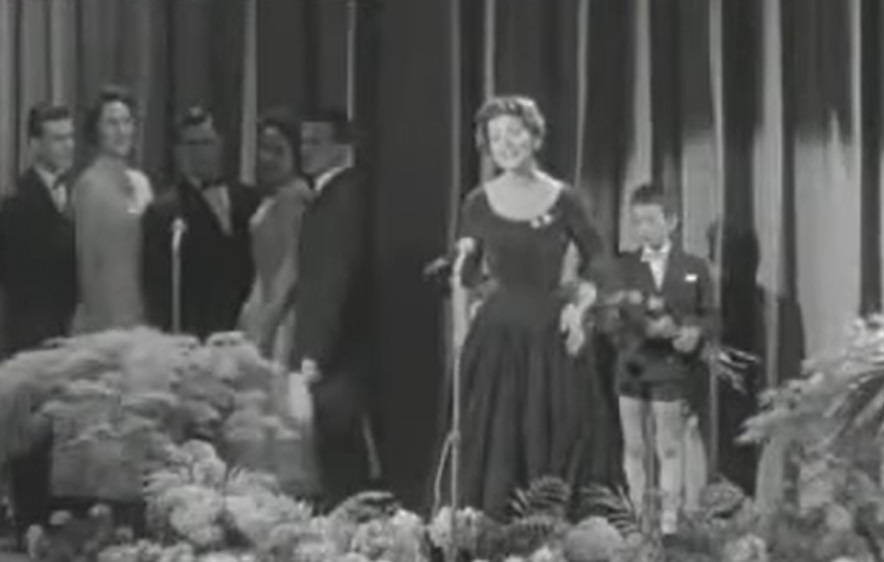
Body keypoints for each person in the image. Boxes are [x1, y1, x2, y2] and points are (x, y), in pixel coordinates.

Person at [439, 96, 604, 519]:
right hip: (496, 340)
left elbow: (601, 267)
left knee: (552, 433)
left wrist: (580, 310)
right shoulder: (477, 202)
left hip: (551, 337)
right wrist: (462, 340)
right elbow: (465, 277)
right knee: (495, 439)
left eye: (514, 133)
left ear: (535, 136)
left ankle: (551, 532)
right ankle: (489, 531)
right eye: (495, 137)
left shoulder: (565, 199)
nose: (506, 144)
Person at [603, 182, 716, 535]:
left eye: (651, 220)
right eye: (637, 221)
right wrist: (641, 328)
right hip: (632, 367)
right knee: (634, 445)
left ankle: (669, 523)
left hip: (671, 369)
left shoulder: (695, 266)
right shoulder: (622, 267)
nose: (643, 229)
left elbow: (712, 316)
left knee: (669, 446)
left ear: (672, 221)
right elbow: (610, 319)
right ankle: (638, 519)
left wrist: (692, 331)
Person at [0, 103, 78, 548]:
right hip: (32, 336)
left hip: (66, 334)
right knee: (32, 436)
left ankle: (51, 523)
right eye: (57, 138)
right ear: (34, 145)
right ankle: (30, 522)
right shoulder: (16, 205)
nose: (67, 146)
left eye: (70, 137)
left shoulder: (74, 195)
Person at [292, 110, 376, 507]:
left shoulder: (342, 198)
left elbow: (333, 279)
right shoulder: (334, 195)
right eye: (303, 141)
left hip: (338, 353)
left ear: (342, 147)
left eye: (316, 142)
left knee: (339, 451)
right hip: (339, 350)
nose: (305, 150)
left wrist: (314, 352)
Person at [142, 106, 259, 339]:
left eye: (207, 143)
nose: (200, 152)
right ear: (178, 152)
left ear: (220, 145)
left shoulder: (249, 199)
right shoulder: (163, 212)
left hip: (247, 330)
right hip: (196, 335)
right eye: (191, 145)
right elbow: (158, 289)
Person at [72, 85, 153, 332]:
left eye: (127, 122)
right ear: (96, 130)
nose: (121, 131)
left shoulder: (140, 183)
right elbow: (87, 265)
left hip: (141, 312)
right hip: (106, 315)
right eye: (112, 123)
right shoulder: (90, 185)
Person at [239, 108, 313, 366]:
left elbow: (290, 268)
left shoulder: (293, 197)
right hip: (263, 304)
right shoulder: (274, 197)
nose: (267, 158)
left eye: (278, 151)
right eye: (264, 148)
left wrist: (266, 326)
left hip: (282, 315)